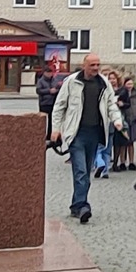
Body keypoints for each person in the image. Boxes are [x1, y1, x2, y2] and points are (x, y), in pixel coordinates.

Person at [51, 53, 125, 225]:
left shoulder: (103, 84)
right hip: (76, 133)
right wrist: (56, 129)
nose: (96, 68)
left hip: (95, 133)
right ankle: (83, 205)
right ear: (84, 65)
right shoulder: (72, 82)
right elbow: (59, 106)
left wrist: (117, 120)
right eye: (92, 65)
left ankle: (77, 205)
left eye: (98, 65)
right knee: (81, 170)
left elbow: (110, 105)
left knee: (86, 171)